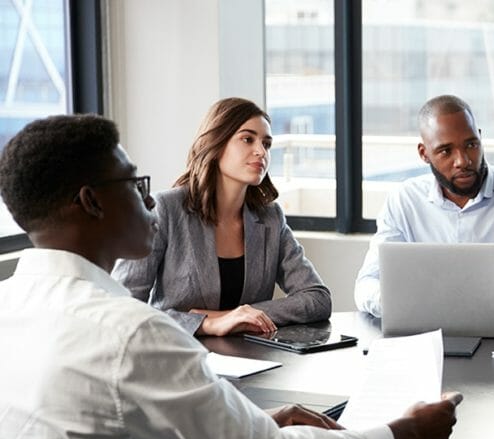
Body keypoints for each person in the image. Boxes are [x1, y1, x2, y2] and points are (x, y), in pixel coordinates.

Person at [0, 114, 460, 439]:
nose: (149, 199)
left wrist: (248, 422)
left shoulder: (9, 305)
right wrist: (406, 432)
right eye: (135, 185)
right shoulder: (133, 331)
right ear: (91, 201)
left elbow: (101, 430)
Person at [113, 97, 331, 337]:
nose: (261, 152)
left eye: (266, 144)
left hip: (253, 361)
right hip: (178, 356)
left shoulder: (271, 218)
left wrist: (239, 315)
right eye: (247, 139)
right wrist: (206, 323)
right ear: (216, 144)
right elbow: (122, 309)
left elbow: (317, 298)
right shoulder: (166, 209)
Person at [354, 94, 494, 316]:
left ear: (480, 138)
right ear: (424, 154)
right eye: (446, 151)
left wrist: (419, 303)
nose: (463, 161)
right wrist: (393, 302)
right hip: (425, 338)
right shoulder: (404, 200)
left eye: (471, 144)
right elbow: (367, 284)